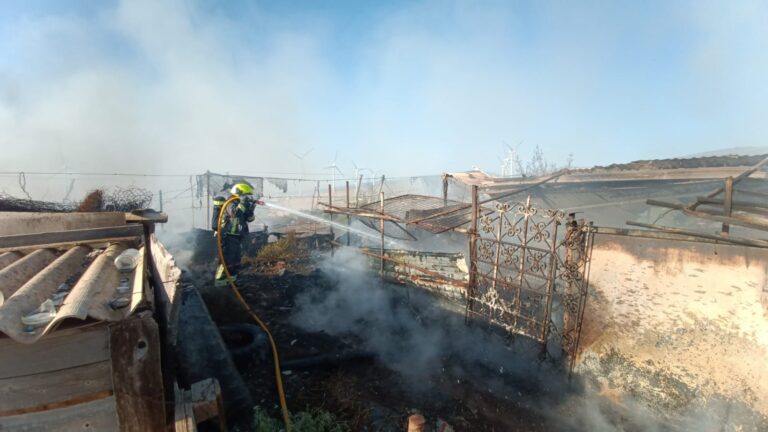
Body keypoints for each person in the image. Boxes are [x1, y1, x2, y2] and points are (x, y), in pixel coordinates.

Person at [212, 183, 263, 286]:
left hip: (237, 237)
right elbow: (234, 213)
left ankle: (232, 281)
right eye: (247, 195)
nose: (249, 197)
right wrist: (244, 204)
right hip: (227, 236)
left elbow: (250, 219)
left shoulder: (241, 203)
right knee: (227, 261)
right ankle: (220, 284)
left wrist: (251, 207)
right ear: (239, 193)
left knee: (236, 260)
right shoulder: (230, 202)